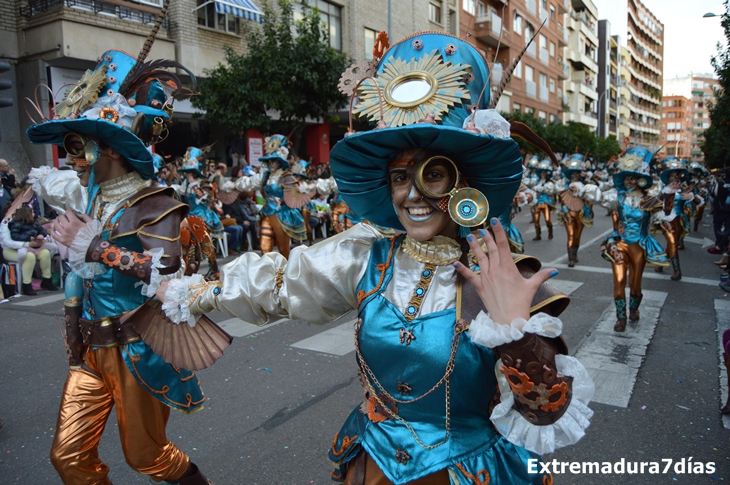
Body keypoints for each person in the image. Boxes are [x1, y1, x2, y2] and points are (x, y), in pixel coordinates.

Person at [157, 31, 593, 484]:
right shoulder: (368, 254)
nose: (414, 194)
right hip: (374, 465)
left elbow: (548, 414)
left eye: (434, 173)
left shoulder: (500, 274)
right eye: (400, 176)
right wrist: (194, 292)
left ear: (463, 184)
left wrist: (514, 334)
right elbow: (283, 283)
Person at [25, 44, 215, 485]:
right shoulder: (92, 197)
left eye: (78, 145)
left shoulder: (157, 205)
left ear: (109, 149)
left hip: (136, 349)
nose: (70, 157)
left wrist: (97, 249)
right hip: (91, 351)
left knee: (149, 458)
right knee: (68, 458)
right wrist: (74, 332)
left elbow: (169, 275)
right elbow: (81, 277)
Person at [598, 147, 670, 332]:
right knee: (619, 280)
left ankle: (634, 308)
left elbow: (660, 215)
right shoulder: (619, 197)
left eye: (632, 177)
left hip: (639, 244)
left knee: (635, 284)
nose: (629, 181)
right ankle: (620, 318)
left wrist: (664, 221)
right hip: (619, 244)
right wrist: (581, 190)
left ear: (641, 179)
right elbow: (599, 198)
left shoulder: (649, 200)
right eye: (627, 177)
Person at [232, 135, 308, 258]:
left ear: (280, 161)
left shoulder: (288, 177)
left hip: (281, 216)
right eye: (270, 161)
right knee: (264, 247)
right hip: (267, 215)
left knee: (283, 249)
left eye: (275, 160)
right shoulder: (265, 177)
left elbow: (295, 196)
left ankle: (285, 274)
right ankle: (270, 272)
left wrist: (285, 199)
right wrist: (234, 184)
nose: (272, 163)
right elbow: (250, 183)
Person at [0, 190, 58, 295]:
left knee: (45, 253)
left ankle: (47, 280)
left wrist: (41, 238)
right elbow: (8, 242)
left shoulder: (31, 222)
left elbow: (42, 231)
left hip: (32, 248)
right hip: (10, 250)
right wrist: (28, 244)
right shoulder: (7, 223)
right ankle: (26, 284)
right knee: (29, 256)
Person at [557, 154, 602, 267]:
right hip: (568, 212)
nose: (575, 175)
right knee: (571, 235)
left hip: (581, 213)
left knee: (577, 236)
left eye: (577, 173)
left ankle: (575, 253)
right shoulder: (564, 183)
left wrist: (590, 177)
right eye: (573, 173)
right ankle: (570, 258)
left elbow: (598, 187)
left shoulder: (585, 185)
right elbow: (556, 189)